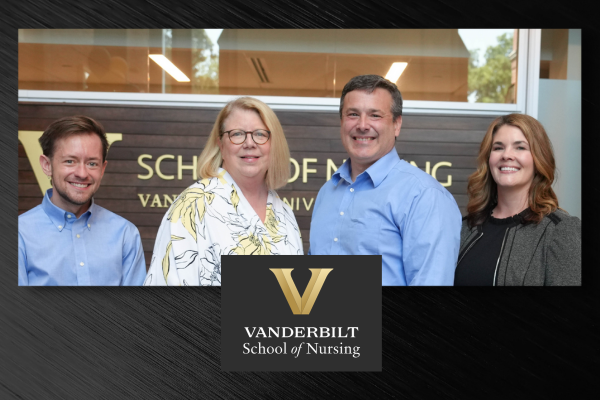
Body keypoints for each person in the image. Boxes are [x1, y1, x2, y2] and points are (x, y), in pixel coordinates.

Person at [309, 75, 461, 285]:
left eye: (375, 115)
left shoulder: (424, 195)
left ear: (397, 124)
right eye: (353, 114)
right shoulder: (327, 192)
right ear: (342, 122)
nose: (362, 125)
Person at [144, 97, 303, 286]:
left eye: (260, 134)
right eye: (237, 134)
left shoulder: (284, 214)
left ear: (273, 144)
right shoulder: (193, 205)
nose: (249, 143)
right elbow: (164, 296)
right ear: (220, 144)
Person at [18, 116, 146, 286]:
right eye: (70, 161)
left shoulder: (125, 234)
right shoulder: (19, 234)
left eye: (92, 163)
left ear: (102, 169)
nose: (82, 173)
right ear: (47, 165)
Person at [455, 114, 581, 286]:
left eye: (520, 147)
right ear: (488, 159)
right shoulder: (464, 228)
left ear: (538, 159)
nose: (506, 155)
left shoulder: (560, 231)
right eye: (498, 147)